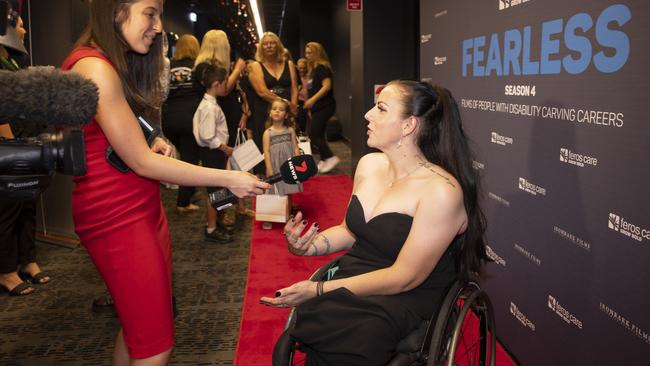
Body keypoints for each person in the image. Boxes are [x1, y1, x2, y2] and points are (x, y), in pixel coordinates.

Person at [60, 1, 269, 364]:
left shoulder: (107, 64)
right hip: (118, 218)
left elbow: (124, 145)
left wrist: (150, 141)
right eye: (150, 13)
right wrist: (229, 177)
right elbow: (140, 162)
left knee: (138, 332)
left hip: (138, 209)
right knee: (156, 346)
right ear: (116, 11)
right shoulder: (95, 67)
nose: (158, 26)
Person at [261, 80, 489, 365]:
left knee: (357, 332)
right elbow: (350, 230)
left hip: (409, 291)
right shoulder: (370, 165)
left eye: (380, 109)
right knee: (321, 317)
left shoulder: (441, 190)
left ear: (408, 126)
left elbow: (405, 277)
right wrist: (309, 247)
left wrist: (318, 288)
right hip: (358, 272)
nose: (368, 115)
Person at [0, 1, 50, 296]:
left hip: (26, 141)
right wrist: (9, 145)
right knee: (8, 209)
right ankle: (6, 271)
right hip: (9, 144)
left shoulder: (14, 59)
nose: (24, 28)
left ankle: (27, 261)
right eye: (18, 24)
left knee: (27, 203)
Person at [192, 64, 234, 243]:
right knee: (214, 192)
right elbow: (207, 136)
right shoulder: (209, 108)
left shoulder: (209, 104)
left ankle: (217, 221)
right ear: (216, 84)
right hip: (212, 153)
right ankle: (211, 229)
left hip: (214, 153)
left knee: (220, 189)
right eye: (225, 83)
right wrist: (225, 149)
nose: (226, 86)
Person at [161, 34, 202, 213]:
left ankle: (190, 191)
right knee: (189, 160)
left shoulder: (168, 65)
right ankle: (183, 202)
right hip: (190, 118)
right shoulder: (197, 66)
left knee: (185, 155)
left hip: (169, 119)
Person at [247, 32, 298, 174]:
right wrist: (286, 103)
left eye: (272, 42)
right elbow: (262, 92)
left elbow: (294, 87)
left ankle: (288, 175)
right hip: (265, 112)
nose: (269, 46)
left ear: (278, 45)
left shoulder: (289, 63)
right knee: (266, 147)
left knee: (288, 143)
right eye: (265, 43)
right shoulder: (255, 66)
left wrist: (293, 107)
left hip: (287, 112)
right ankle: (267, 181)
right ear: (261, 47)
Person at [304, 42, 338, 173]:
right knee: (318, 133)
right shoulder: (313, 70)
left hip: (326, 106)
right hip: (317, 108)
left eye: (310, 53)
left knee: (313, 133)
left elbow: (326, 86)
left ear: (318, 53)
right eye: (306, 53)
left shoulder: (323, 68)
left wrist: (312, 100)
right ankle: (324, 159)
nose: (307, 56)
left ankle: (330, 157)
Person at [262, 98, 302, 200]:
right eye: (274, 109)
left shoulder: (290, 131)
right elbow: (266, 152)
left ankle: (288, 210)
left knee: (289, 188)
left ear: (286, 115)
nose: (277, 111)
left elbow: (295, 147)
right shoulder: (268, 133)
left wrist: (297, 162)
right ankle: (280, 212)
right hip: (275, 166)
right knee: (277, 189)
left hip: (289, 164)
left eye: (281, 109)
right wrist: (269, 169)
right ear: (270, 113)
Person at [295, 57, 309, 134]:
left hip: (308, 103)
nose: (302, 70)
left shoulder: (309, 77)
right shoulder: (294, 77)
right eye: (300, 68)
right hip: (298, 103)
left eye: (304, 68)